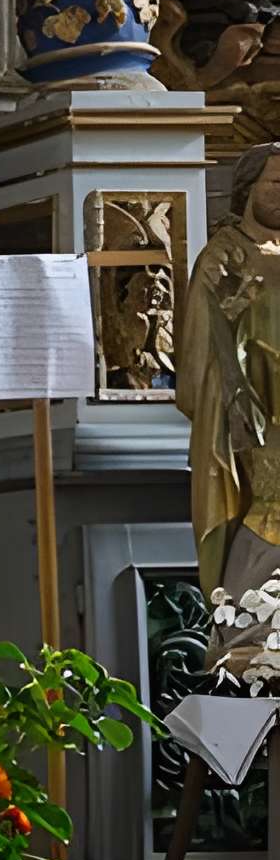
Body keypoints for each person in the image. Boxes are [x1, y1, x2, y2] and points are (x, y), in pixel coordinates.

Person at [189, 144, 280, 622]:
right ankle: (245, 629)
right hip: (259, 401)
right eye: (276, 184)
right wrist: (235, 391)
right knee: (271, 503)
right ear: (249, 189)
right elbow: (210, 336)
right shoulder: (225, 253)